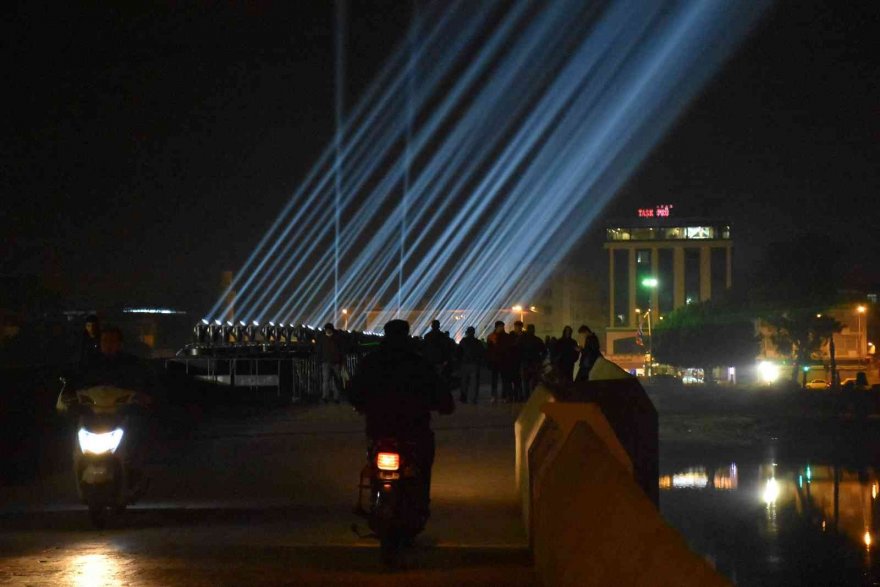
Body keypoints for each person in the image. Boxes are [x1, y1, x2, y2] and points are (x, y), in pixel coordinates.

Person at [348, 319, 454, 518]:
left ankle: (373, 498)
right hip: (412, 428)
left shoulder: (371, 362)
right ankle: (421, 501)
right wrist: (444, 405)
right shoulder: (418, 363)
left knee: (373, 459)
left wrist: (360, 404)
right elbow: (438, 390)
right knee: (423, 463)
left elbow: (355, 390)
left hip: (379, 425)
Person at [58, 327, 156, 484]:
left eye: (112, 341)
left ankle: (135, 467)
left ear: (120, 343)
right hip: (93, 413)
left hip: (122, 412)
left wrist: (143, 397)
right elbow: (75, 381)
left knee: (137, 430)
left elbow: (144, 383)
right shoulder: (88, 363)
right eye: (105, 341)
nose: (108, 344)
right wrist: (70, 395)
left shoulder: (131, 364)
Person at [487, 321, 515, 403]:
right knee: (495, 379)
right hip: (495, 361)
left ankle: (504, 396)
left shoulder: (506, 337)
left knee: (504, 379)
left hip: (503, 361)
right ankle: (494, 396)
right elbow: (489, 350)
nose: (502, 328)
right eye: (500, 326)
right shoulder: (491, 336)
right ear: (496, 327)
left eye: (502, 326)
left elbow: (509, 349)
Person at [317, 322, 345, 403]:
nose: (328, 331)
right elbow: (341, 350)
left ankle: (326, 397)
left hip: (328, 362)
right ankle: (335, 398)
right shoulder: (337, 338)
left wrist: (319, 361)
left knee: (326, 381)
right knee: (334, 381)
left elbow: (319, 350)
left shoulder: (323, 338)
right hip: (333, 362)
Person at [458, 326, 484, 403]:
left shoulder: (463, 341)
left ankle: (464, 397)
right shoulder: (477, 342)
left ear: (467, 332)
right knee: (474, 382)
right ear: (474, 332)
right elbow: (481, 353)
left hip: (465, 363)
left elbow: (458, 352)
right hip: (474, 364)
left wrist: (460, 360)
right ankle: (473, 398)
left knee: (464, 381)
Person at [519, 324, 547, 395]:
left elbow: (518, 350)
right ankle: (533, 396)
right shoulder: (537, 340)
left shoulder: (522, 340)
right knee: (534, 382)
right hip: (535, 363)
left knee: (526, 382)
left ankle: (527, 397)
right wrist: (541, 360)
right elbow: (544, 351)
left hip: (526, 363)